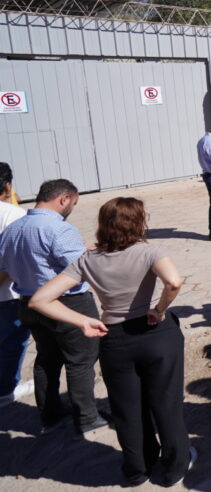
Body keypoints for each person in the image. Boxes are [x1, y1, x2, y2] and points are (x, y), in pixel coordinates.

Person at [29, 197, 194, 486]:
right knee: (166, 403)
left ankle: (137, 469)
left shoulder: (87, 259)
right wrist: (159, 309)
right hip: (156, 332)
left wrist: (82, 321)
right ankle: (173, 468)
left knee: (128, 409)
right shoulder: (150, 250)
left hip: (114, 338)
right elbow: (174, 281)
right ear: (140, 221)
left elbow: (39, 300)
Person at [0, 179, 106, 435]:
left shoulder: (13, 228)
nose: (72, 208)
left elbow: (5, 268)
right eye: (74, 203)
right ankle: (87, 417)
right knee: (80, 361)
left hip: (28, 302)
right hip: (67, 303)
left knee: (46, 359)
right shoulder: (59, 229)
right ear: (64, 199)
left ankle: (49, 414)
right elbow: (80, 270)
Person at [0, 162, 27, 409]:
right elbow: (15, 259)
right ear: (8, 185)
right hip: (7, 294)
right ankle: (6, 391)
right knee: (12, 341)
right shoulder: (14, 215)